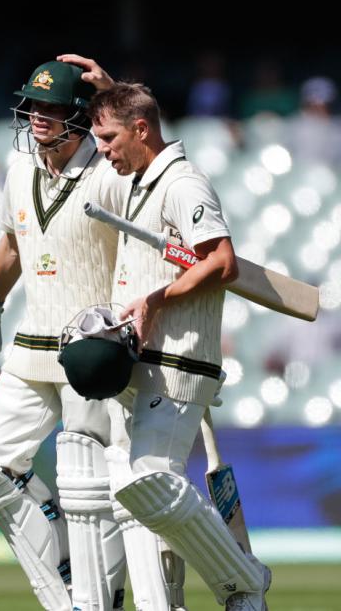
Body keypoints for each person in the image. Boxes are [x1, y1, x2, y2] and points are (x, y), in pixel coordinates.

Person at [0, 60, 131, 611]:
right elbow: (11, 244)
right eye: (32, 105)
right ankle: (68, 569)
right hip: (31, 346)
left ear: (80, 114)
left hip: (92, 352)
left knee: (90, 488)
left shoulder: (111, 173)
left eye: (51, 107)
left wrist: (113, 92)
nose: (37, 116)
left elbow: (153, 155)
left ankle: (101, 595)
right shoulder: (20, 171)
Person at [87, 81, 272, 610]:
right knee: (137, 494)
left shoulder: (183, 183)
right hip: (146, 362)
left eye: (107, 137)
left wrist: (155, 300)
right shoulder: (143, 180)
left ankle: (242, 580)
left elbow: (221, 262)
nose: (101, 148)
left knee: (148, 481)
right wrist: (109, 87)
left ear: (141, 130)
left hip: (179, 360)